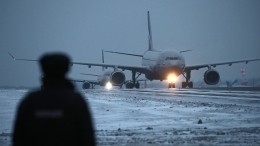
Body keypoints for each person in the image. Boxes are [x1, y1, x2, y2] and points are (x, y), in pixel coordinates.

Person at [12, 53, 96, 146]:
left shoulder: (30, 100)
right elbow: (87, 137)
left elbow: (18, 137)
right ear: (67, 70)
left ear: (43, 70)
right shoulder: (76, 100)